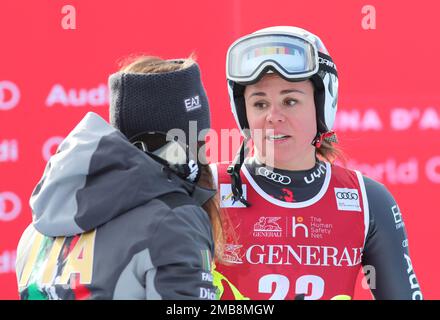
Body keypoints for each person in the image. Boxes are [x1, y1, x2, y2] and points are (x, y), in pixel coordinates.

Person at [212, 26, 423, 300]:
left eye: (290, 101)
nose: (273, 117)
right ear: (244, 114)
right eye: (260, 104)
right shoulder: (210, 189)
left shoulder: (366, 200)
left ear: (322, 105)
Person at [15, 56, 222, 300]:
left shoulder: (36, 232)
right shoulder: (173, 219)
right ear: (160, 147)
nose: (199, 155)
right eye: (194, 143)